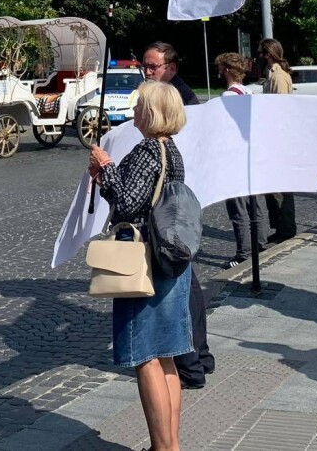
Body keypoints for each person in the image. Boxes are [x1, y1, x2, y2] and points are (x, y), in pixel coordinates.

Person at [89, 81, 191, 451]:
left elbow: (129, 204)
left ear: (151, 112)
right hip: (171, 257)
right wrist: (107, 179)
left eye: (139, 106)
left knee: (146, 357)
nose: (134, 112)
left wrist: (106, 166)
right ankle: (170, 444)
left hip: (143, 260)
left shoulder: (148, 150)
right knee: (166, 358)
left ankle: (164, 448)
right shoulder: (172, 150)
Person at [140, 41, 210, 388]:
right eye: (145, 67)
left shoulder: (177, 100)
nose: (147, 73)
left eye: (153, 67)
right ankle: (200, 356)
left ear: (171, 68)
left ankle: (189, 365)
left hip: (170, 214)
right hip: (177, 209)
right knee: (188, 286)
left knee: (176, 292)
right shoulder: (163, 97)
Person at [216, 52, 268, 269]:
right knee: (257, 204)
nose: (218, 71)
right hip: (252, 156)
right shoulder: (249, 92)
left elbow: (223, 131)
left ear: (227, 70)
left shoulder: (227, 98)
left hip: (235, 158)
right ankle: (262, 245)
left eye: (219, 67)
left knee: (238, 208)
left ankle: (244, 253)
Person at [256, 38, 297, 242]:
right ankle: (281, 226)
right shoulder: (271, 74)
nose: (259, 57)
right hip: (272, 135)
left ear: (269, 54)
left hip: (277, 137)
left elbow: (279, 109)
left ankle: (286, 227)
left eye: (261, 53)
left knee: (281, 187)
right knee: (274, 186)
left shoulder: (279, 77)